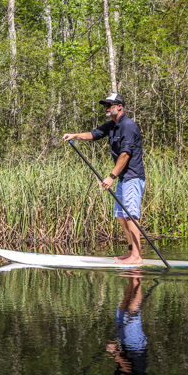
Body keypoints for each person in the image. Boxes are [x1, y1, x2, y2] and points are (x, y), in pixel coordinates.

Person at [62, 92, 147, 265]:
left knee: (131, 215)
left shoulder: (128, 126)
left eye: (110, 105)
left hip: (132, 176)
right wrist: (74, 135)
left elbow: (125, 154)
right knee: (120, 216)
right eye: (105, 106)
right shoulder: (112, 125)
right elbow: (94, 134)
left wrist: (111, 176)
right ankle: (131, 252)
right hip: (123, 178)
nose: (106, 108)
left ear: (119, 106)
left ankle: (137, 257)